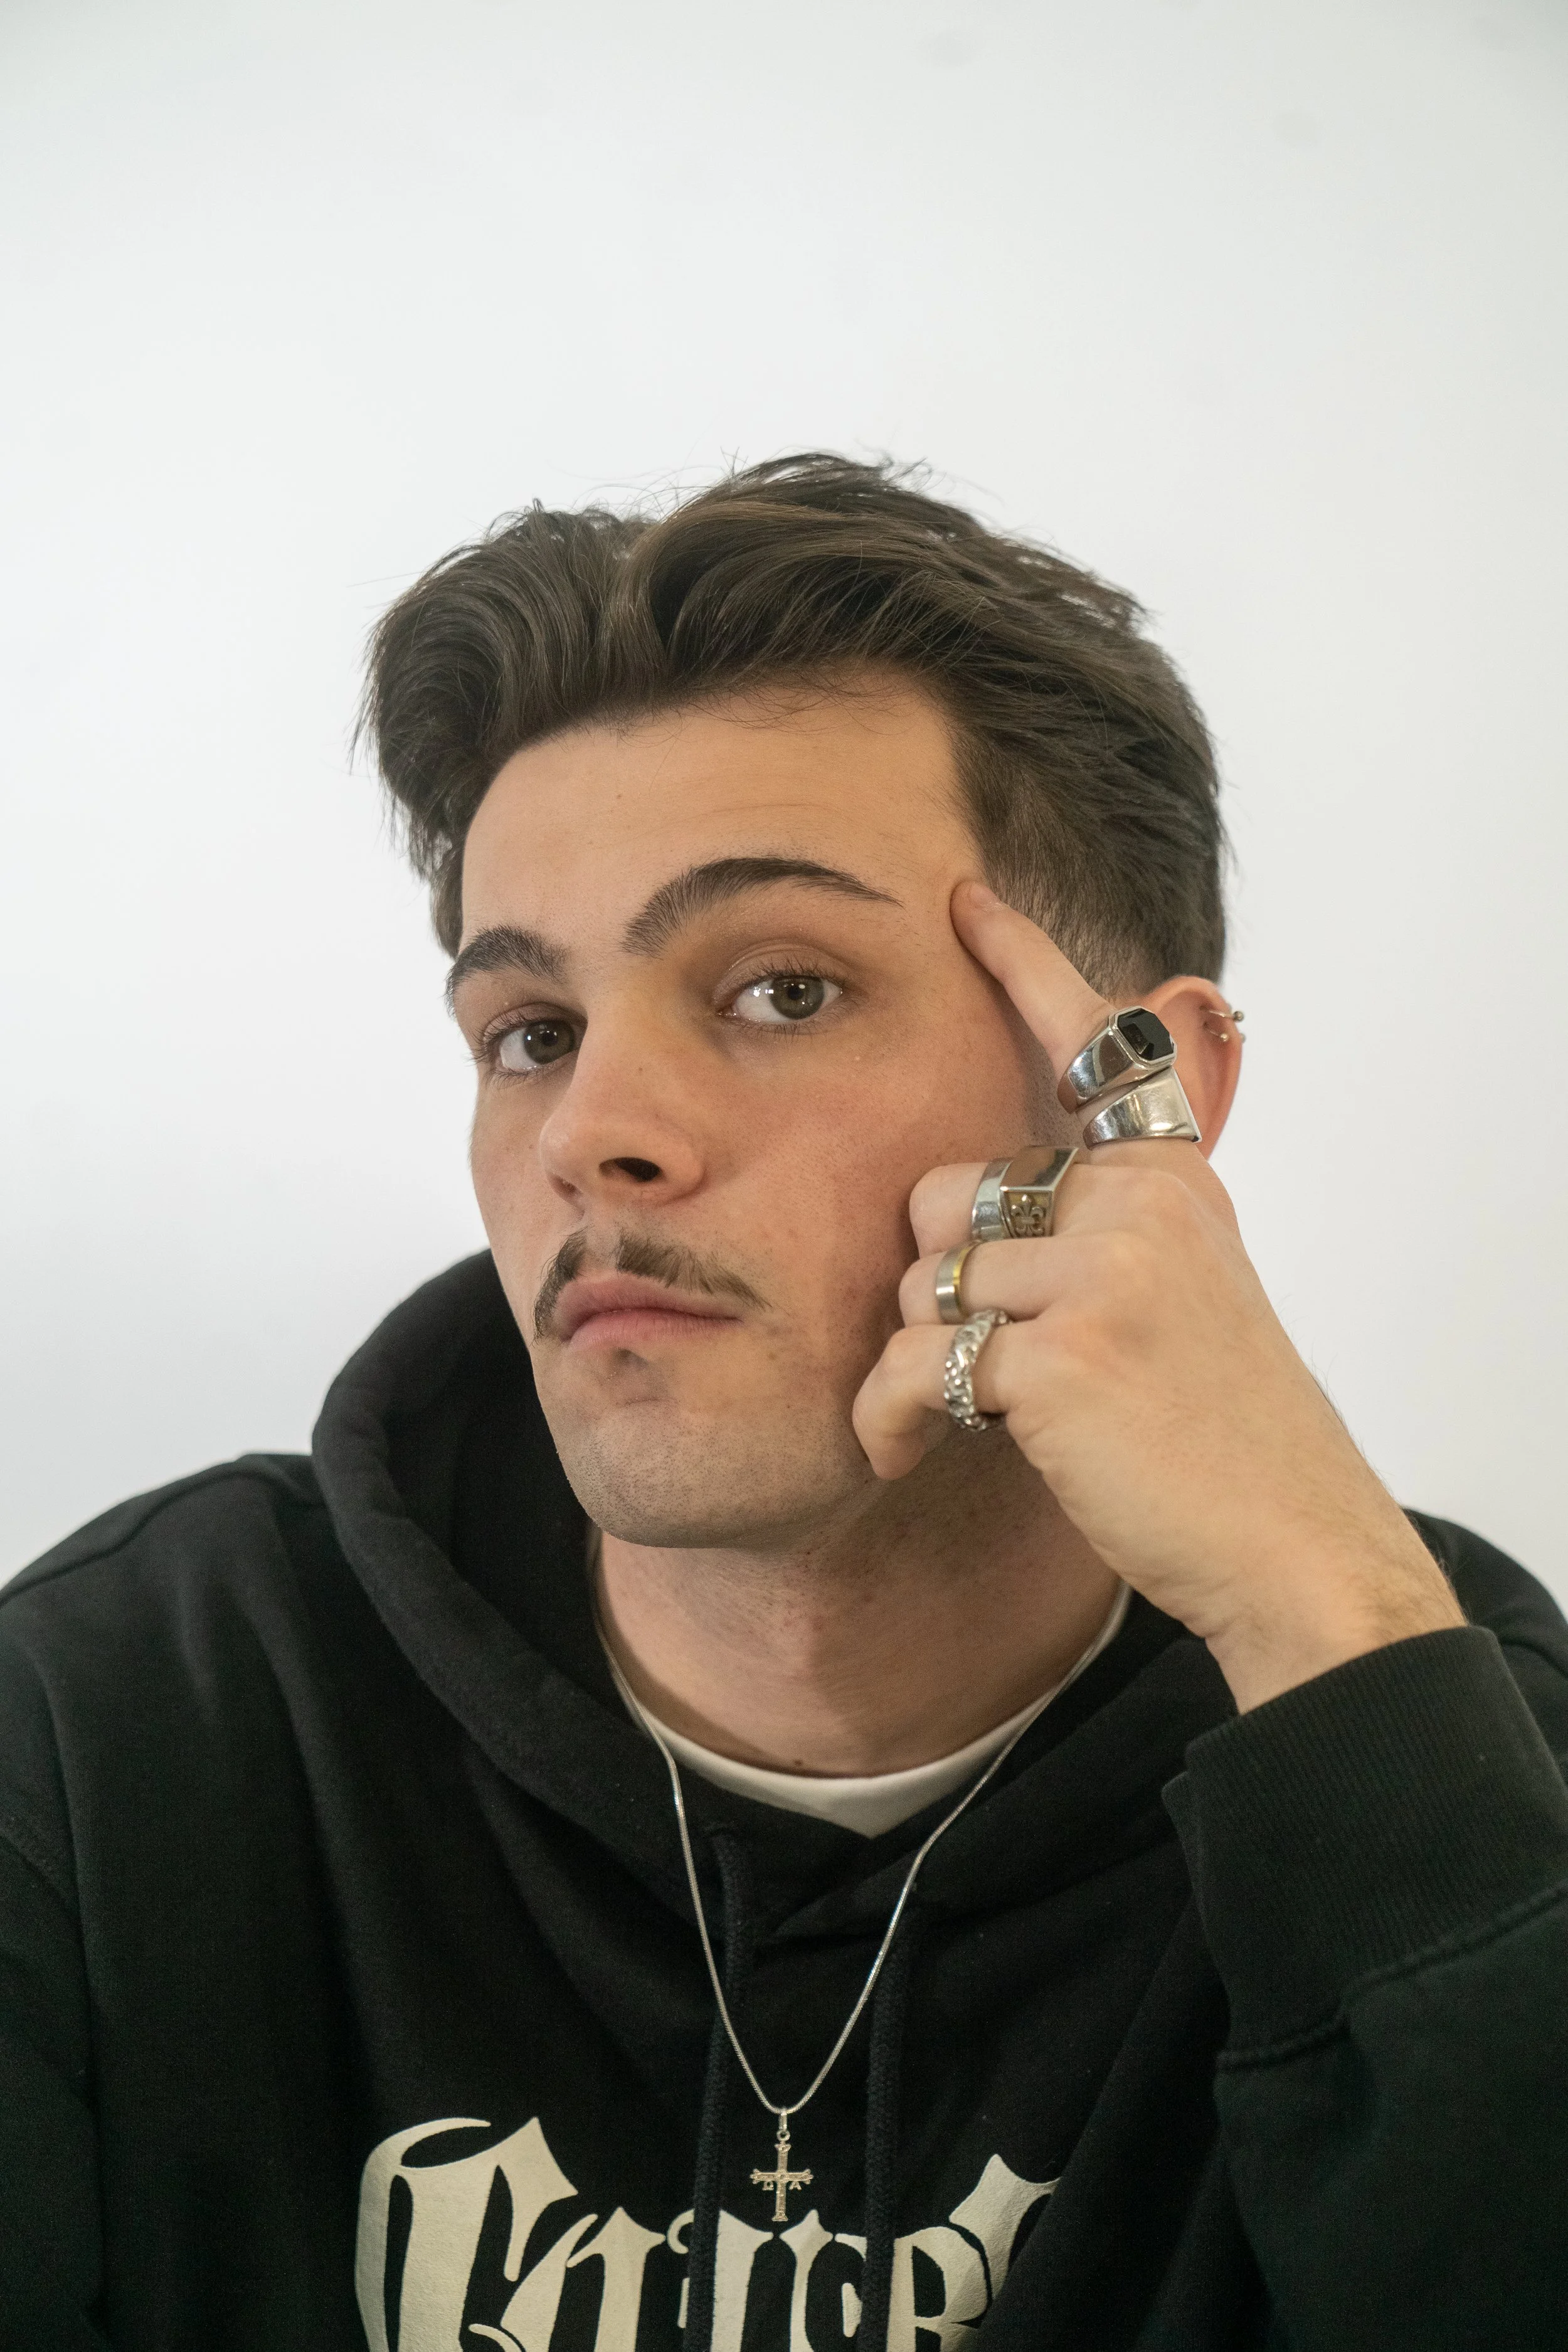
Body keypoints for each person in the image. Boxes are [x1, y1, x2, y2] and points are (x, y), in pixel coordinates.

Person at [3, 455, 1565, 2352]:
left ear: (1132, 1098)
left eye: (782, 992)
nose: (591, 1132)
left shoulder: (1458, 1752)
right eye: (530, 1032)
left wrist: (1326, 1614)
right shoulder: (121, 1720)